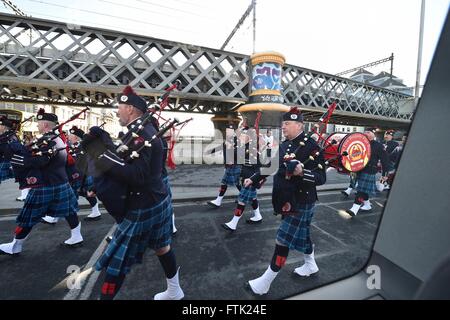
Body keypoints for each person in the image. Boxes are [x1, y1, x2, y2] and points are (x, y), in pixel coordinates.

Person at [82, 86, 184, 300]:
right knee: (162, 247)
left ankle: (174, 291)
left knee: (116, 264)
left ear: (130, 108)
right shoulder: (139, 131)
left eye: (119, 107)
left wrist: (102, 157)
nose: (117, 111)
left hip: (143, 205)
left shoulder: (143, 135)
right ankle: (175, 291)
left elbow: (137, 176)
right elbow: (125, 160)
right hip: (156, 200)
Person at [243, 107, 327, 295]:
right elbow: (272, 165)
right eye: (283, 124)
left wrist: (302, 172)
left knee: (283, 239)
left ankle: (265, 282)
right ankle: (311, 265)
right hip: (286, 199)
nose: (283, 127)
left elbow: (321, 178)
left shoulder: (311, 147)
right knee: (303, 235)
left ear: (299, 125)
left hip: (301, 201)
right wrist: (254, 178)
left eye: (287, 124)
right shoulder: (285, 145)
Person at [0, 109, 83, 255]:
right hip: (60, 182)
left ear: (45, 124)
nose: (37, 125)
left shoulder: (49, 140)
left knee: (28, 217)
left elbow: (40, 160)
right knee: (69, 211)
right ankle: (77, 236)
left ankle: (15, 246)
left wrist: (19, 159)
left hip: (45, 184)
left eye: (39, 123)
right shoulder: (58, 138)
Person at [222, 126, 264, 231]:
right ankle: (257, 216)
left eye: (243, 135)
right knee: (253, 199)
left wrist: (254, 179)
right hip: (247, 178)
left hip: (250, 180)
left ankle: (233, 223)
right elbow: (233, 155)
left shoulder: (251, 149)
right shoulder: (244, 147)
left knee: (241, 201)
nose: (240, 136)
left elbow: (260, 167)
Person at [346, 128, 389, 216]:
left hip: (369, 170)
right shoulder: (360, 143)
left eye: (368, 132)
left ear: (373, 134)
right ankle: (367, 205)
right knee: (362, 189)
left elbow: (385, 161)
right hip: (357, 169)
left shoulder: (378, 146)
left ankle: (355, 208)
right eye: (365, 132)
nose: (366, 133)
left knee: (361, 190)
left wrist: (385, 175)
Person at [207, 124, 242, 208]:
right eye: (227, 131)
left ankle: (218, 201)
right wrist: (211, 151)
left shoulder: (237, 141)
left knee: (224, 183)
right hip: (229, 166)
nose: (228, 132)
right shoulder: (227, 140)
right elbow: (220, 147)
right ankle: (243, 197)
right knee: (237, 183)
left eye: (229, 131)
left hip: (234, 165)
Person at [0, 116, 16, 184]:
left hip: (4, 163)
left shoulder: (5, 137)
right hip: (8, 163)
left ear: (3, 127)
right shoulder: (12, 135)